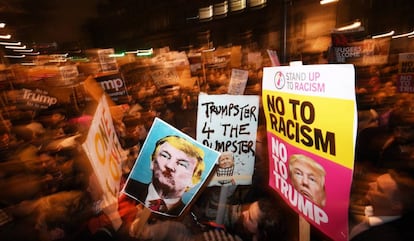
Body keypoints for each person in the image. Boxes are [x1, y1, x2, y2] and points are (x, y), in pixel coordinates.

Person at [129, 198, 287, 241]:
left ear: (260, 234)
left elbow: (185, 237)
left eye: (250, 218)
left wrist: (152, 232)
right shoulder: (241, 228)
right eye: (248, 209)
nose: (244, 213)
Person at [123, 135, 205, 216]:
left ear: (194, 180)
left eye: (182, 164)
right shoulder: (126, 187)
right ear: (152, 162)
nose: (169, 166)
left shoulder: (187, 218)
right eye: (165, 156)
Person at [349, 168, 414, 241]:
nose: (370, 184)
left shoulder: (385, 237)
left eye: (379, 188)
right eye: (375, 182)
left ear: (396, 205)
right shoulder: (370, 212)